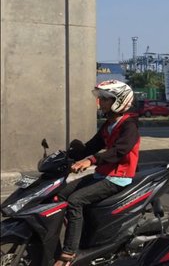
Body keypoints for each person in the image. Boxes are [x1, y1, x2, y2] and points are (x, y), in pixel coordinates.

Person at [54, 80, 140, 266]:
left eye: (104, 99)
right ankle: (69, 238)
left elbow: (118, 151)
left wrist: (91, 160)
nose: (100, 103)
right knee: (59, 194)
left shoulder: (129, 126)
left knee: (75, 201)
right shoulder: (109, 124)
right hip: (103, 174)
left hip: (118, 178)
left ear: (119, 100)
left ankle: (69, 252)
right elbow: (92, 145)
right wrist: (67, 156)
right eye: (100, 98)